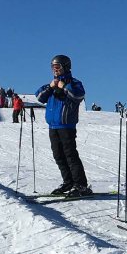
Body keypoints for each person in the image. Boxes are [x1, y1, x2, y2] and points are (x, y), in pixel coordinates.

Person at [36, 54, 91, 196]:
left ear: (65, 67)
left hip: (66, 126)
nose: (55, 70)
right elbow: (39, 97)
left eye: (57, 67)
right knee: (58, 155)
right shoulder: (51, 84)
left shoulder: (74, 83)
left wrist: (64, 87)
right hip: (53, 126)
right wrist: (50, 87)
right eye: (53, 67)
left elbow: (78, 96)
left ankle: (81, 185)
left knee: (70, 155)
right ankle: (68, 182)